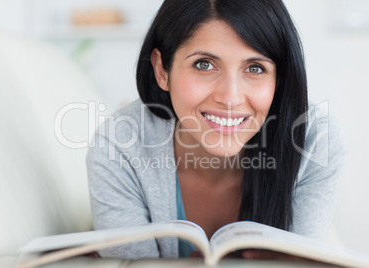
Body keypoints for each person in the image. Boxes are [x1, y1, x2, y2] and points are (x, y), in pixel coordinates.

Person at [86, 0, 345, 260]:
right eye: (204, 64)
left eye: (255, 68)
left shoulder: (313, 140)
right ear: (162, 69)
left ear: (279, 79)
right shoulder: (118, 145)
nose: (230, 98)